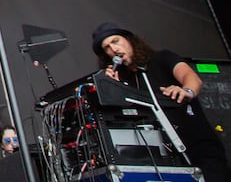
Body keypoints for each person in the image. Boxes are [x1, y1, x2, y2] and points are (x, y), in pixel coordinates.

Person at [93, 22, 229, 182]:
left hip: (199, 147)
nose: (113, 49)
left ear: (129, 40)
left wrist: (187, 91)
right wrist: (114, 88)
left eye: (115, 41)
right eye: (107, 47)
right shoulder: (124, 80)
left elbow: (191, 77)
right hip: (164, 155)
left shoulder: (161, 58)